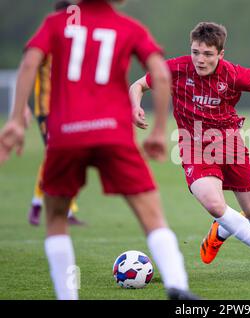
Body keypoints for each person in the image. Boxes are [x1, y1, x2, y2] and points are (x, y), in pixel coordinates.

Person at [0, 0, 197, 300]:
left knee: (55, 218)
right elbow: (159, 72)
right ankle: (177, 284)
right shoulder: (130, 27)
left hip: (65, 133)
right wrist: (158, 129)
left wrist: (15, 119)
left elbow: (29, 62)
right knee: (152, 214)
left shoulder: (57, 23)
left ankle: (68, 297)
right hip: (113, 133)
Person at [129, 22, 250, 279]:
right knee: (213, 204)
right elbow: (138, 85)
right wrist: (135, 106)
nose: (200, 60)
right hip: (193, 147)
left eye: (208, 54)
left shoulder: (233, 74)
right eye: (196, 52)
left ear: (220, 55)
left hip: (231, 146)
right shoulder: (176, 68)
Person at [27, 0, 86, 227]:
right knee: (55, 155)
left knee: (72, 158)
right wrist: (23, 106)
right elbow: (29, 68)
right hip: (48, 111)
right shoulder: (47, 41)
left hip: (71, 110)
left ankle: (64, 209)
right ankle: (37, 204)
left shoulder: (76, 46)